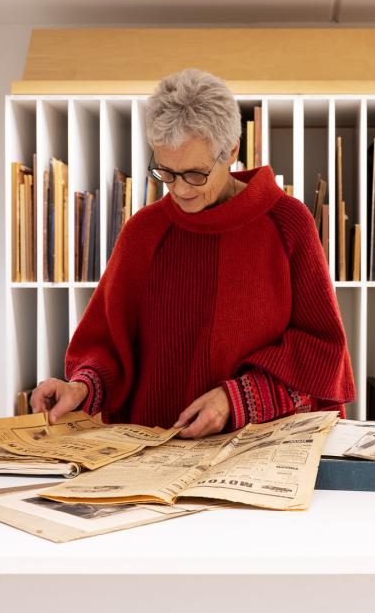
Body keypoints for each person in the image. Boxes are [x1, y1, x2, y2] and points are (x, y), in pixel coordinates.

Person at [30, 68, 355, 438]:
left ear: (232, 151)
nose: (180, 190)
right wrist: (81, 387)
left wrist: (235, 399)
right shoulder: (143, 232)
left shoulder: (287, 223)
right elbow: (108, 344)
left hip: (254, 450)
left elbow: (321, 352)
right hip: (154, 453)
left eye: (196, 174)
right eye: (166, 173)